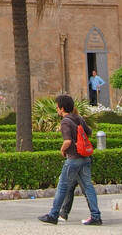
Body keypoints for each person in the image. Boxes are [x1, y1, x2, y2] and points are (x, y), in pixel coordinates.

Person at [38, 95, 102, 225]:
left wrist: (62, 150)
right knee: (88, 187)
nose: (57, 110)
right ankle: (96, 216)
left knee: (62, 187)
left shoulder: (65, 122)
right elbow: (88, 132)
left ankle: (53, 214)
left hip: (73, 159)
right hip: (85, 157)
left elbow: (67, 141)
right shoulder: (78, 118)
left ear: (62, 109)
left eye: (57, 108)